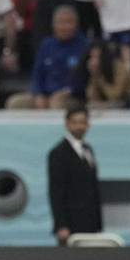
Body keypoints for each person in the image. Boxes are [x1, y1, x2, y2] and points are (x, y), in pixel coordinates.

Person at [47, 105, 103, 246]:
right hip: (70, 224)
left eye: (83, 122)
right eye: (75, 122)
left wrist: (98, 223)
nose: (79, 126)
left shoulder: (88, 150)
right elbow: (56, 190)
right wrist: (60, 225)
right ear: (67, 124)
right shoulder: (58, 153)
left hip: (90, 223)